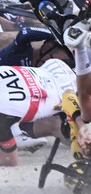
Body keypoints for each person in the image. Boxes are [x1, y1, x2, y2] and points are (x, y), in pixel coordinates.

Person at [0, 31, 83, 167]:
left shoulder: (2, 116)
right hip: (53, 80)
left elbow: (10, 160)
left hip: (55, 87)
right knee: (58, 126)